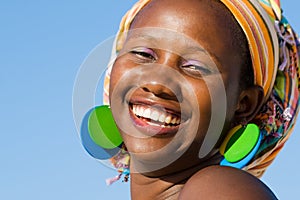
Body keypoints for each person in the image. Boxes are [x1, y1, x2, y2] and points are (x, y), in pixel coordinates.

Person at [82, 0, 299, 199]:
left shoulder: (216, 189)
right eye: (143, 54)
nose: (157, 84)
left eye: (194, 67)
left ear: (243, 105)